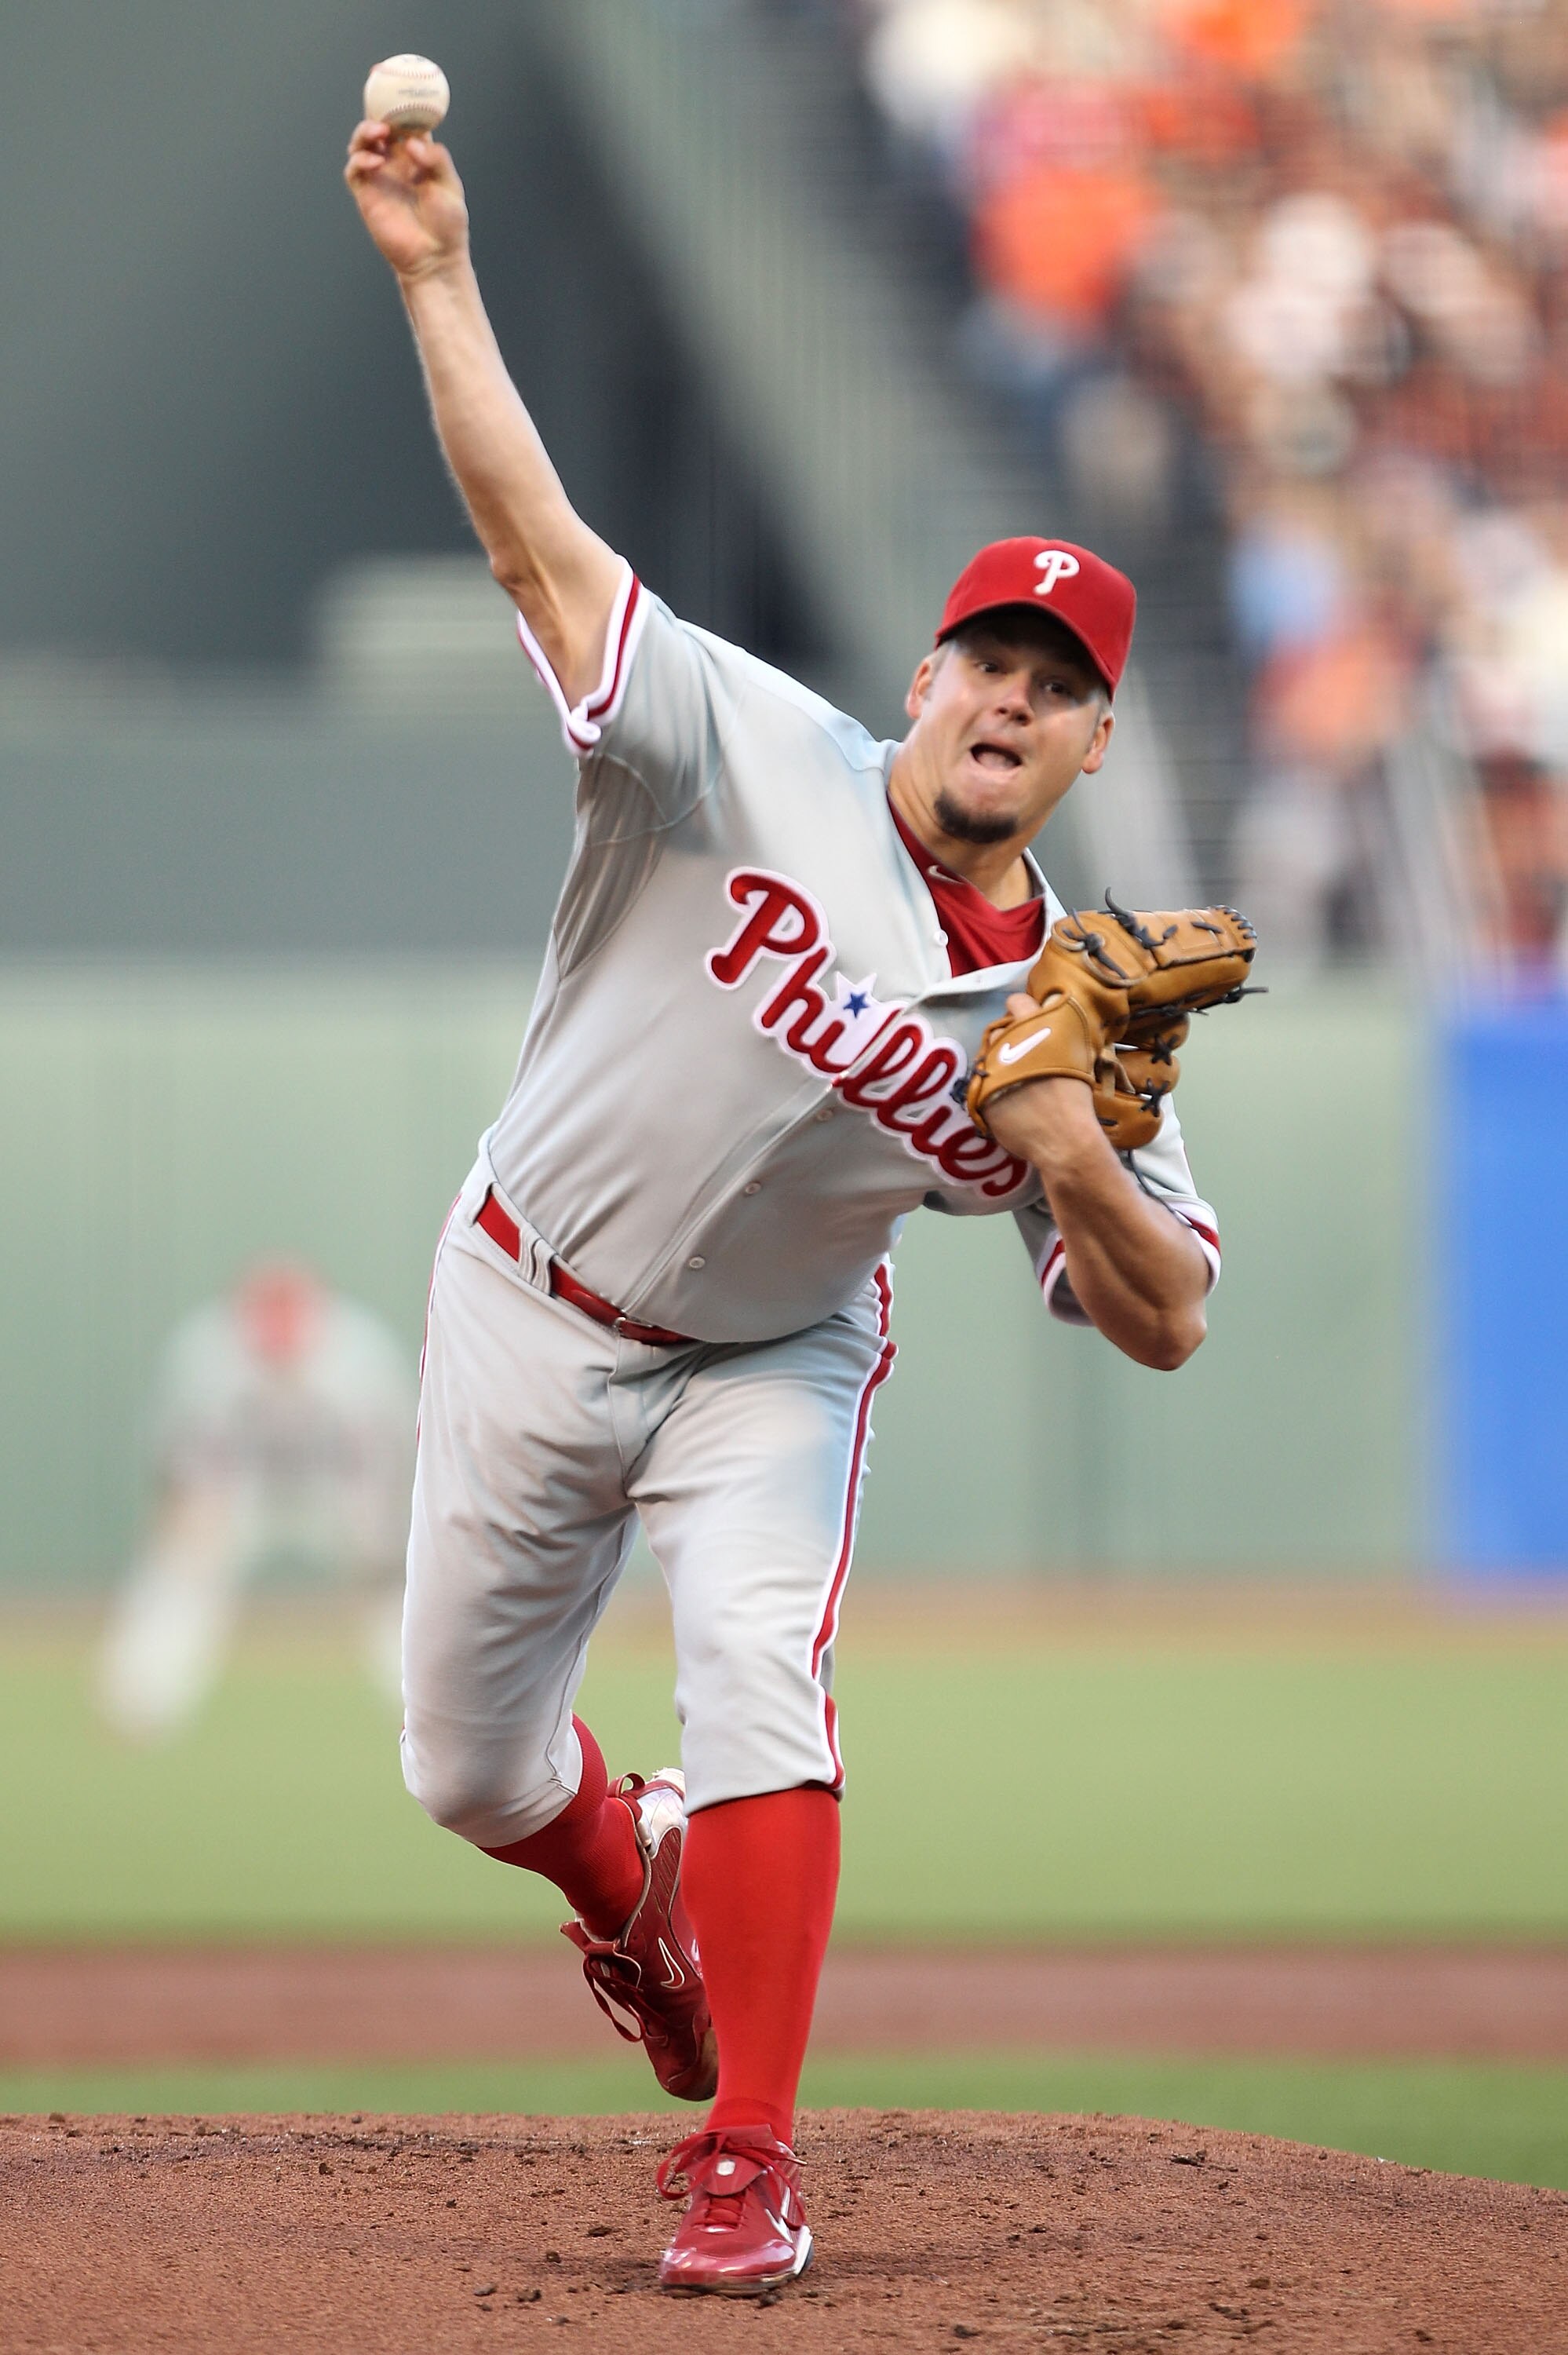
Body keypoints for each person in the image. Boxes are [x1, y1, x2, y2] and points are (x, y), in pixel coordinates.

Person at [345, 113, 1220, 2297]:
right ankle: (629, 1894)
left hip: (769, 1357)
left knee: (758, 1669)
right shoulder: (743, 742)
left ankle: (746, 2154)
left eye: (1058, 686)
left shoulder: (1081, 1009)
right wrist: (436, 274)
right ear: (922, 678)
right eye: (987, 659)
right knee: (463, 1763)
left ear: (1092, 747)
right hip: (525, 1289)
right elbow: (537, 548)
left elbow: (1165, 1315)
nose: (1011, 697)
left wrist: (1066, 1150)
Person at [96, 1262, 415, 1741]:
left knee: (395, 1583)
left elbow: (395, 1452)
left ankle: (428, 1709)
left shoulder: (361, 1355)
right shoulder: (206, 1353)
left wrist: (382, 1531)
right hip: (239, 1491)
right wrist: (189, 1523)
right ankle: (138, 1705)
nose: (278, 1329)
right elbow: (180, 1460)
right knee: (183, 1569)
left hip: (338, 1491)